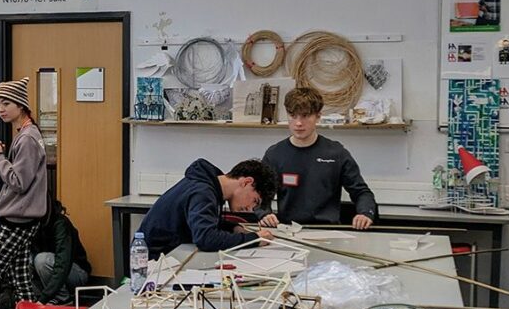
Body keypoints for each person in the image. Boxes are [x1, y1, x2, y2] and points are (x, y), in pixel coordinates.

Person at [0, 77, 48, 309]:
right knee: (22, 285)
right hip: (24, 219)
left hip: (17, 221)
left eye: (6, 103)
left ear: (21, 105)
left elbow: (18, 182)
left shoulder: (26, 138)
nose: (1, 109)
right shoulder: (27, 134)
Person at [258, 87, 377, 230]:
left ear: (318, 116)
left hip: (328, 231)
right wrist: (264, 214)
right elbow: (260, 194)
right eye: (293, 116)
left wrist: (365, 213)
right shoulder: (275, 154)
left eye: (305, 116)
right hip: (288, 232)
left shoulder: (336, 153)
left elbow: (361, 192)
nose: (298, 123)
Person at [138, 158, 276, 260]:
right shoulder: (202, 192)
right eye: (255, 200)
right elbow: (205, 238)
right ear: (246, 182)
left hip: (172, 253)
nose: (251, 209)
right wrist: (253, 239)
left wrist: (232, 228)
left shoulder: (210, 185)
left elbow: (204, 222)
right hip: (155, 261)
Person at [32, 199, 92, 305]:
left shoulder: (61, 224)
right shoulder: (33, 225)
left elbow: (63, 264)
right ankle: (47, 296)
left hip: (76, 273)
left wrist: (44, 298)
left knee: (41, 260)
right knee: (26, 260)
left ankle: (62, 298)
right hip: (54, 273)